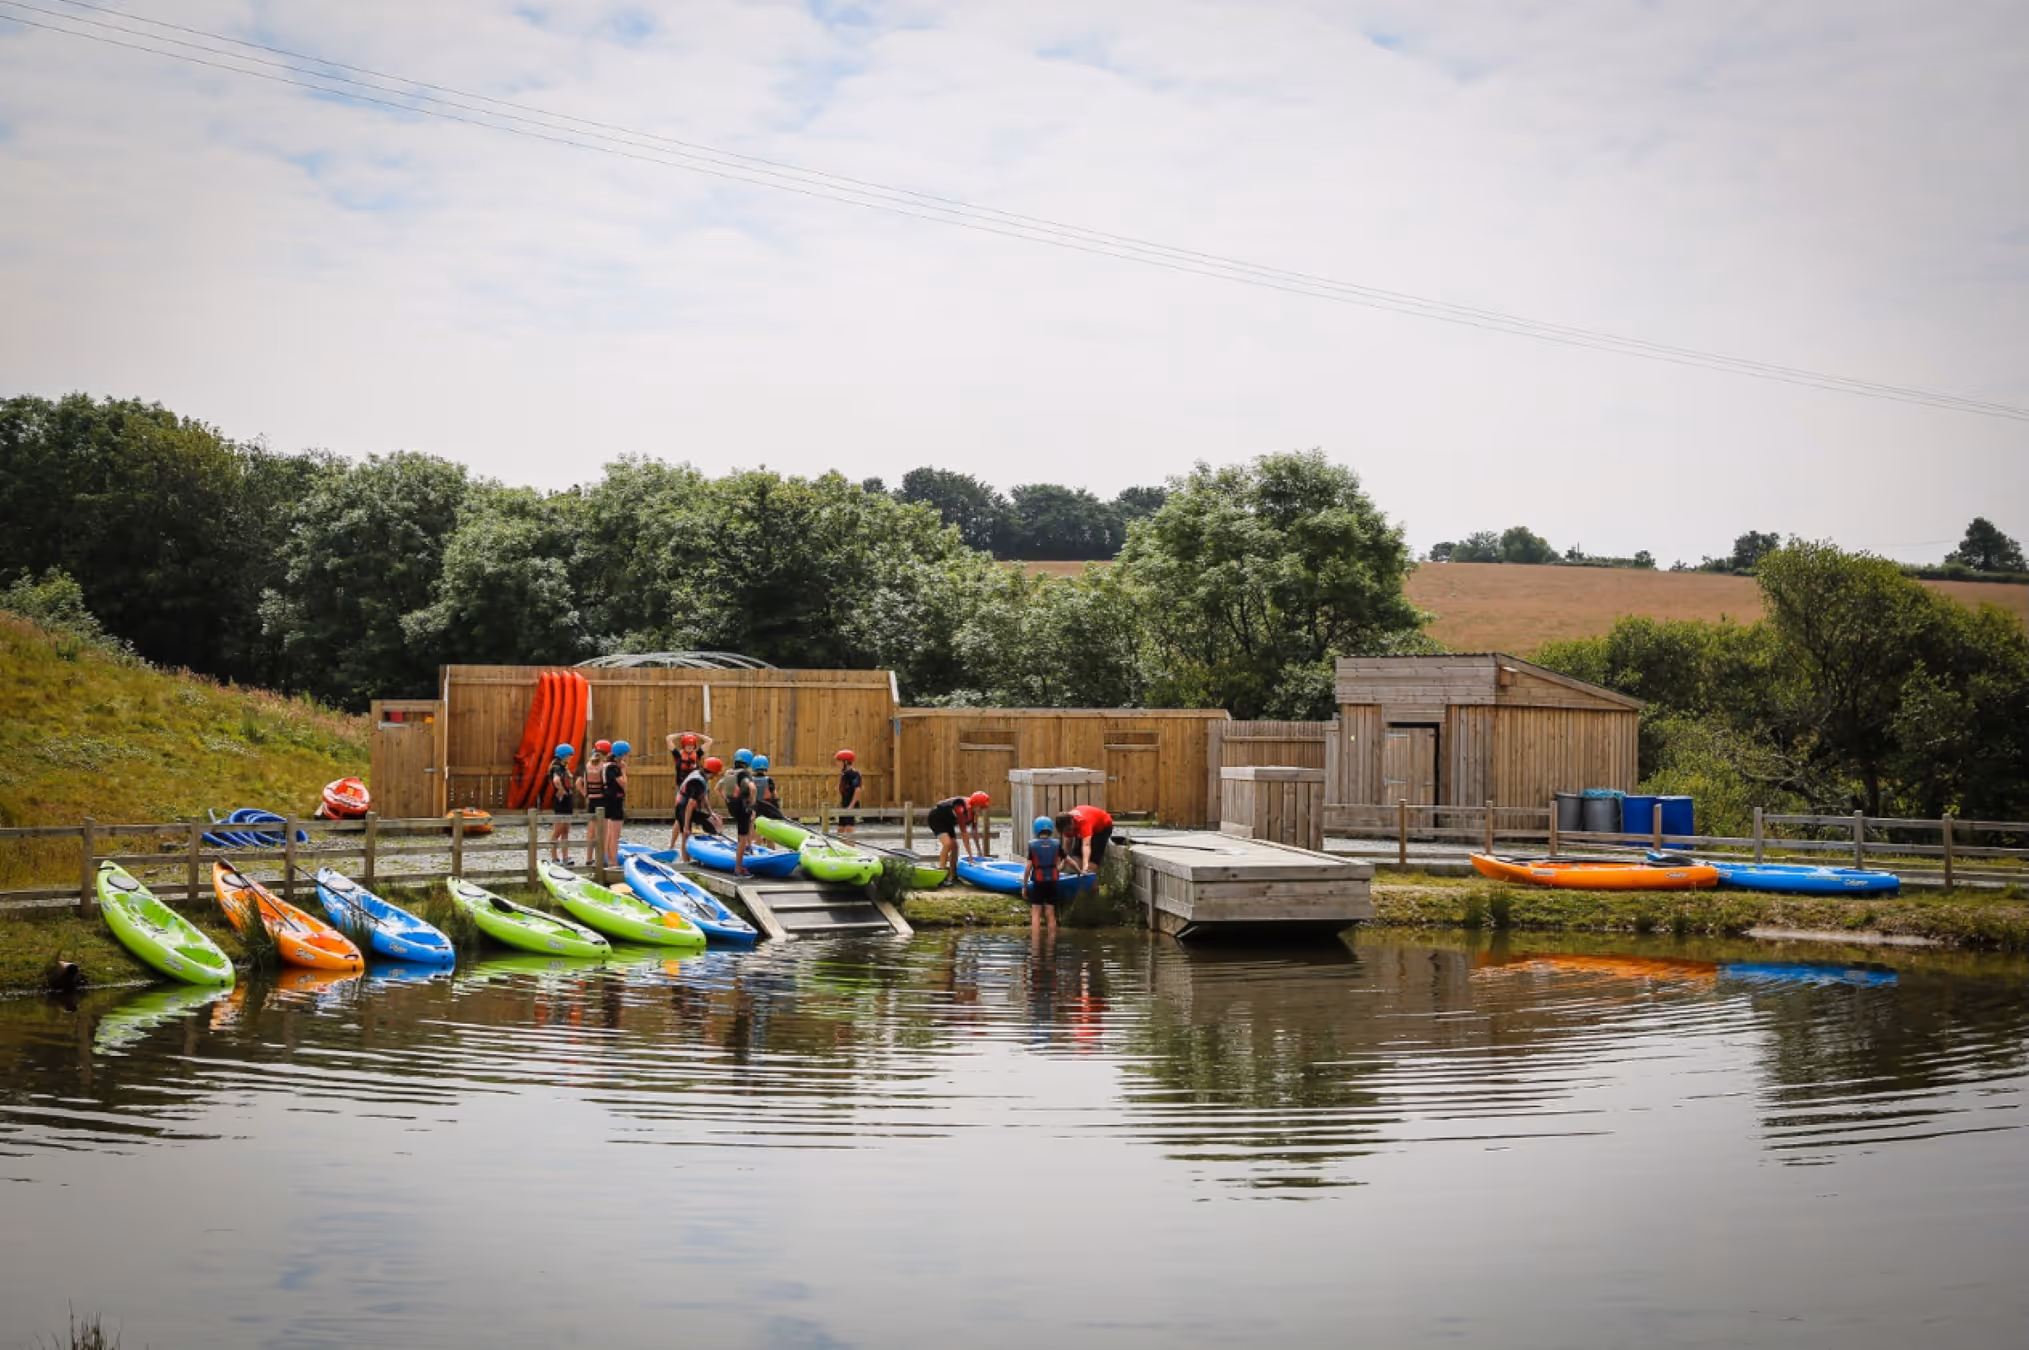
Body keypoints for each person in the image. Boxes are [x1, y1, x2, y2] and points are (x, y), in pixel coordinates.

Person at [928, 790, 990, 881]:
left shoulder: (974, 813)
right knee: (948, 844)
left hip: (948, 821)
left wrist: (979, 851)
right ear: (976, 805)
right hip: (936, 817)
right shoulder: (961, 809)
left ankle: (952, 876)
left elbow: (974, 833)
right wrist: (970, 857)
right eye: (981, 808)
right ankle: (941, 875)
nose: (982, 810)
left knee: (955, 847)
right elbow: (964, 834)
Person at [675, 755, 724, 861]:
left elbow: (703, 796)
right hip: (683, 809)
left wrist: (711, 813)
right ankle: (686, 863)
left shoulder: (702, 777)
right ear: (715, 773)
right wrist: (687, 826)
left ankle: (710, 852)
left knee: (711, 824)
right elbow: (690, 804)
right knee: (686, 834)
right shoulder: (697, 782)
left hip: (690, 809)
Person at [1023, 815, 1063, 938]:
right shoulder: (1056, 844)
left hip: (1038, 882)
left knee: (1036, 912)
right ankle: (1052, 942)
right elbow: (1067, 861)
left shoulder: (1033, 845)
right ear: (1051, 829)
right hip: (1052, 882)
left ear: (1036, 830)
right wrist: (1079, 871)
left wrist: (1024, 886)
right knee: (1050, 913)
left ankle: (1035, 946)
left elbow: (1028, 868)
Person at [721, 750, 757, 876]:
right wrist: (752, 804)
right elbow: (752, 788)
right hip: (742, 807)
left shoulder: (729, 772)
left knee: (744, 831)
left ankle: (748, 849)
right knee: (742, 838)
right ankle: (738, 868)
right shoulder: (744, 773)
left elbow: (718, 788)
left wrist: (726, 799)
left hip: (732, 806)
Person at [1053, 803, 1114, 874]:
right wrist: (1062, 864)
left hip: (1102, 827)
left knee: (1091, 864)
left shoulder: (1083, 822)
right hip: (1086, 822)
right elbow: (1066, 846)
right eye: (1065, 831)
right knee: (1076, 857)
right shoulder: (1065, 823)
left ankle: (1089, 880)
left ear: (1072, 822)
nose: (1068, 832)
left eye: (1069, 830)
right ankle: (1078, 879)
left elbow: (1086, 845)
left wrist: (1085, 867)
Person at [545, 743, 577, 864]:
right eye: (569, 755)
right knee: (558, 830)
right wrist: (562, 790)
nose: (571, 758)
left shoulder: (563, 767)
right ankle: (554, 858)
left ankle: (565, 857)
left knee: (565, 830)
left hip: (567, 800)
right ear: (564, 755)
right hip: (561, 800)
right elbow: (556, 780)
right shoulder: (557, 767)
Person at [601, 740, 631, 867]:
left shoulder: (606, 765)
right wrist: (623, 770)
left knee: (609, 833)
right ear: (622, 754)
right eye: (626, 754)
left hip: (607, 800)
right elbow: (623, 784)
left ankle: (608, 859)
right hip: (615, 801)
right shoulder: (614, 768)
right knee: (614, 835)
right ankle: (613, 862)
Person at [582, 740, 610, 864]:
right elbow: (606, 783)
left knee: (591, 830)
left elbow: (584, 782)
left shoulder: (588, 764)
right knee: (602, 831)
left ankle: (588, 858)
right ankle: (601, 858)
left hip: (591, 799)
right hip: (602, 799)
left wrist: (586, 795)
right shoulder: (604, 766)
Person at [835, 749, 862, 832]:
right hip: (844, 803)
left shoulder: (853, 774)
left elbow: (857, 790)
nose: (837, 764)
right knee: (841, 828)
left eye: (839, 761)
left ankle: (850, 844)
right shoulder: (844, 774)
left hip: (850, 804)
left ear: (845, 762)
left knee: (849, 827)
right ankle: (840, 844)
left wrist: (851, 805)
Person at [751, 755, 784, 820]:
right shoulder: (769, 780)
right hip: (767, 806)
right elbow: (774, 794)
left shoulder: (750, 779)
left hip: (755, 807)